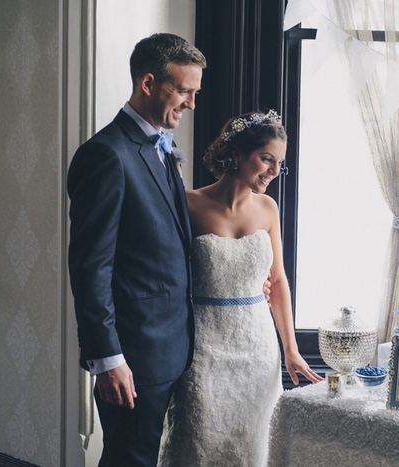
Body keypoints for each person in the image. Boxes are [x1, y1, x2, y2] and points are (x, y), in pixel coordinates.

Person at [67, 33, 206, 466]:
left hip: (171, 350)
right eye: (183, 91)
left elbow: (167, 245)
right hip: (133, 358)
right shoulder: (106, 156)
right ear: (148, 83)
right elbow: (91, 268)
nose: (191, 104)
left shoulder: (161, 148)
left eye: (195, 93)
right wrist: (109, 359)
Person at [158, 110, 323, 466]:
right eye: (267, 159)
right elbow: (164, 275)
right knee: (197, 442)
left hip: (259, 352)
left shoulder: (268, 208)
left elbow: (277, 282)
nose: (274, 171)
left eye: (280, 163)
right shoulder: (187, 204)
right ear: (235, 153)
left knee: (252, 450)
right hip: (203, 351)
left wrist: (291, 350)